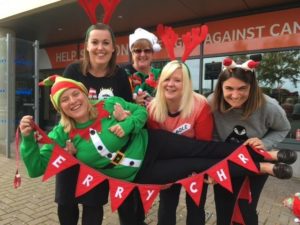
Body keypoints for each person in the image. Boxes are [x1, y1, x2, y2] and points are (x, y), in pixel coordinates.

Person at [20, 76, 296, 225]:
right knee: (200, 166)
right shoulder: (60, 135)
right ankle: (260, 165)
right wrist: (28, 140)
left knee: (205, 148)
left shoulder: (106, 105)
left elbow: (141, 112)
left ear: (83, 93)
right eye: (64, 100)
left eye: (75, 94)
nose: (72, 101)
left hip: (153, 142)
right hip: (143, 172)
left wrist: (126, 123)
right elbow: (35, 168)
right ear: (59, 107)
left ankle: (266, 155)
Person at [57, 22, 133, 225]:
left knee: (93, 207)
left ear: (113, 47)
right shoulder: (73, 71)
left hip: (101, 157)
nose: (101, 47)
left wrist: (125, 119)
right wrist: (65, 143)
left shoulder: (119, 75)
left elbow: (130, 112)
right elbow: (61, 107)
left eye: (106, 43)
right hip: (71, 150)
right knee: (66, 206)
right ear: (87, 47)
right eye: (95, 42)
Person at [208, 58, 296, 225]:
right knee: (223, 208)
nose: (235, 95)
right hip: (226, 161)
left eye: (242, 88)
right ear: (220, 87)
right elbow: (208, 131)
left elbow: (283, 128)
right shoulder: (211, 102)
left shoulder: (269, 106)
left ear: (252, 87)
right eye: (229, 88)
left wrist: (265, 142)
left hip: (256, 159)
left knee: (245, 208)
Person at [147, 60, 213, 225]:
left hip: (196, 158)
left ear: (187, 84)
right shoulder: (153, 108)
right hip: (169, 161)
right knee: (167, 205)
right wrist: (160, 175)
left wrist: (197, 171)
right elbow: (156, 147)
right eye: (167, 79)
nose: (171, 84)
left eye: (177, 80)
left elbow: (204, 145)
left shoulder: (200, 105)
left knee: (196, 206)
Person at [123, 27, 162, 106]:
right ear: (132, 53)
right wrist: (133, 102)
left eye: (147, 50)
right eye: (138, 51)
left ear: (152, 53)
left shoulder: (160, 75)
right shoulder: (123, 74)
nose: (142, 54)